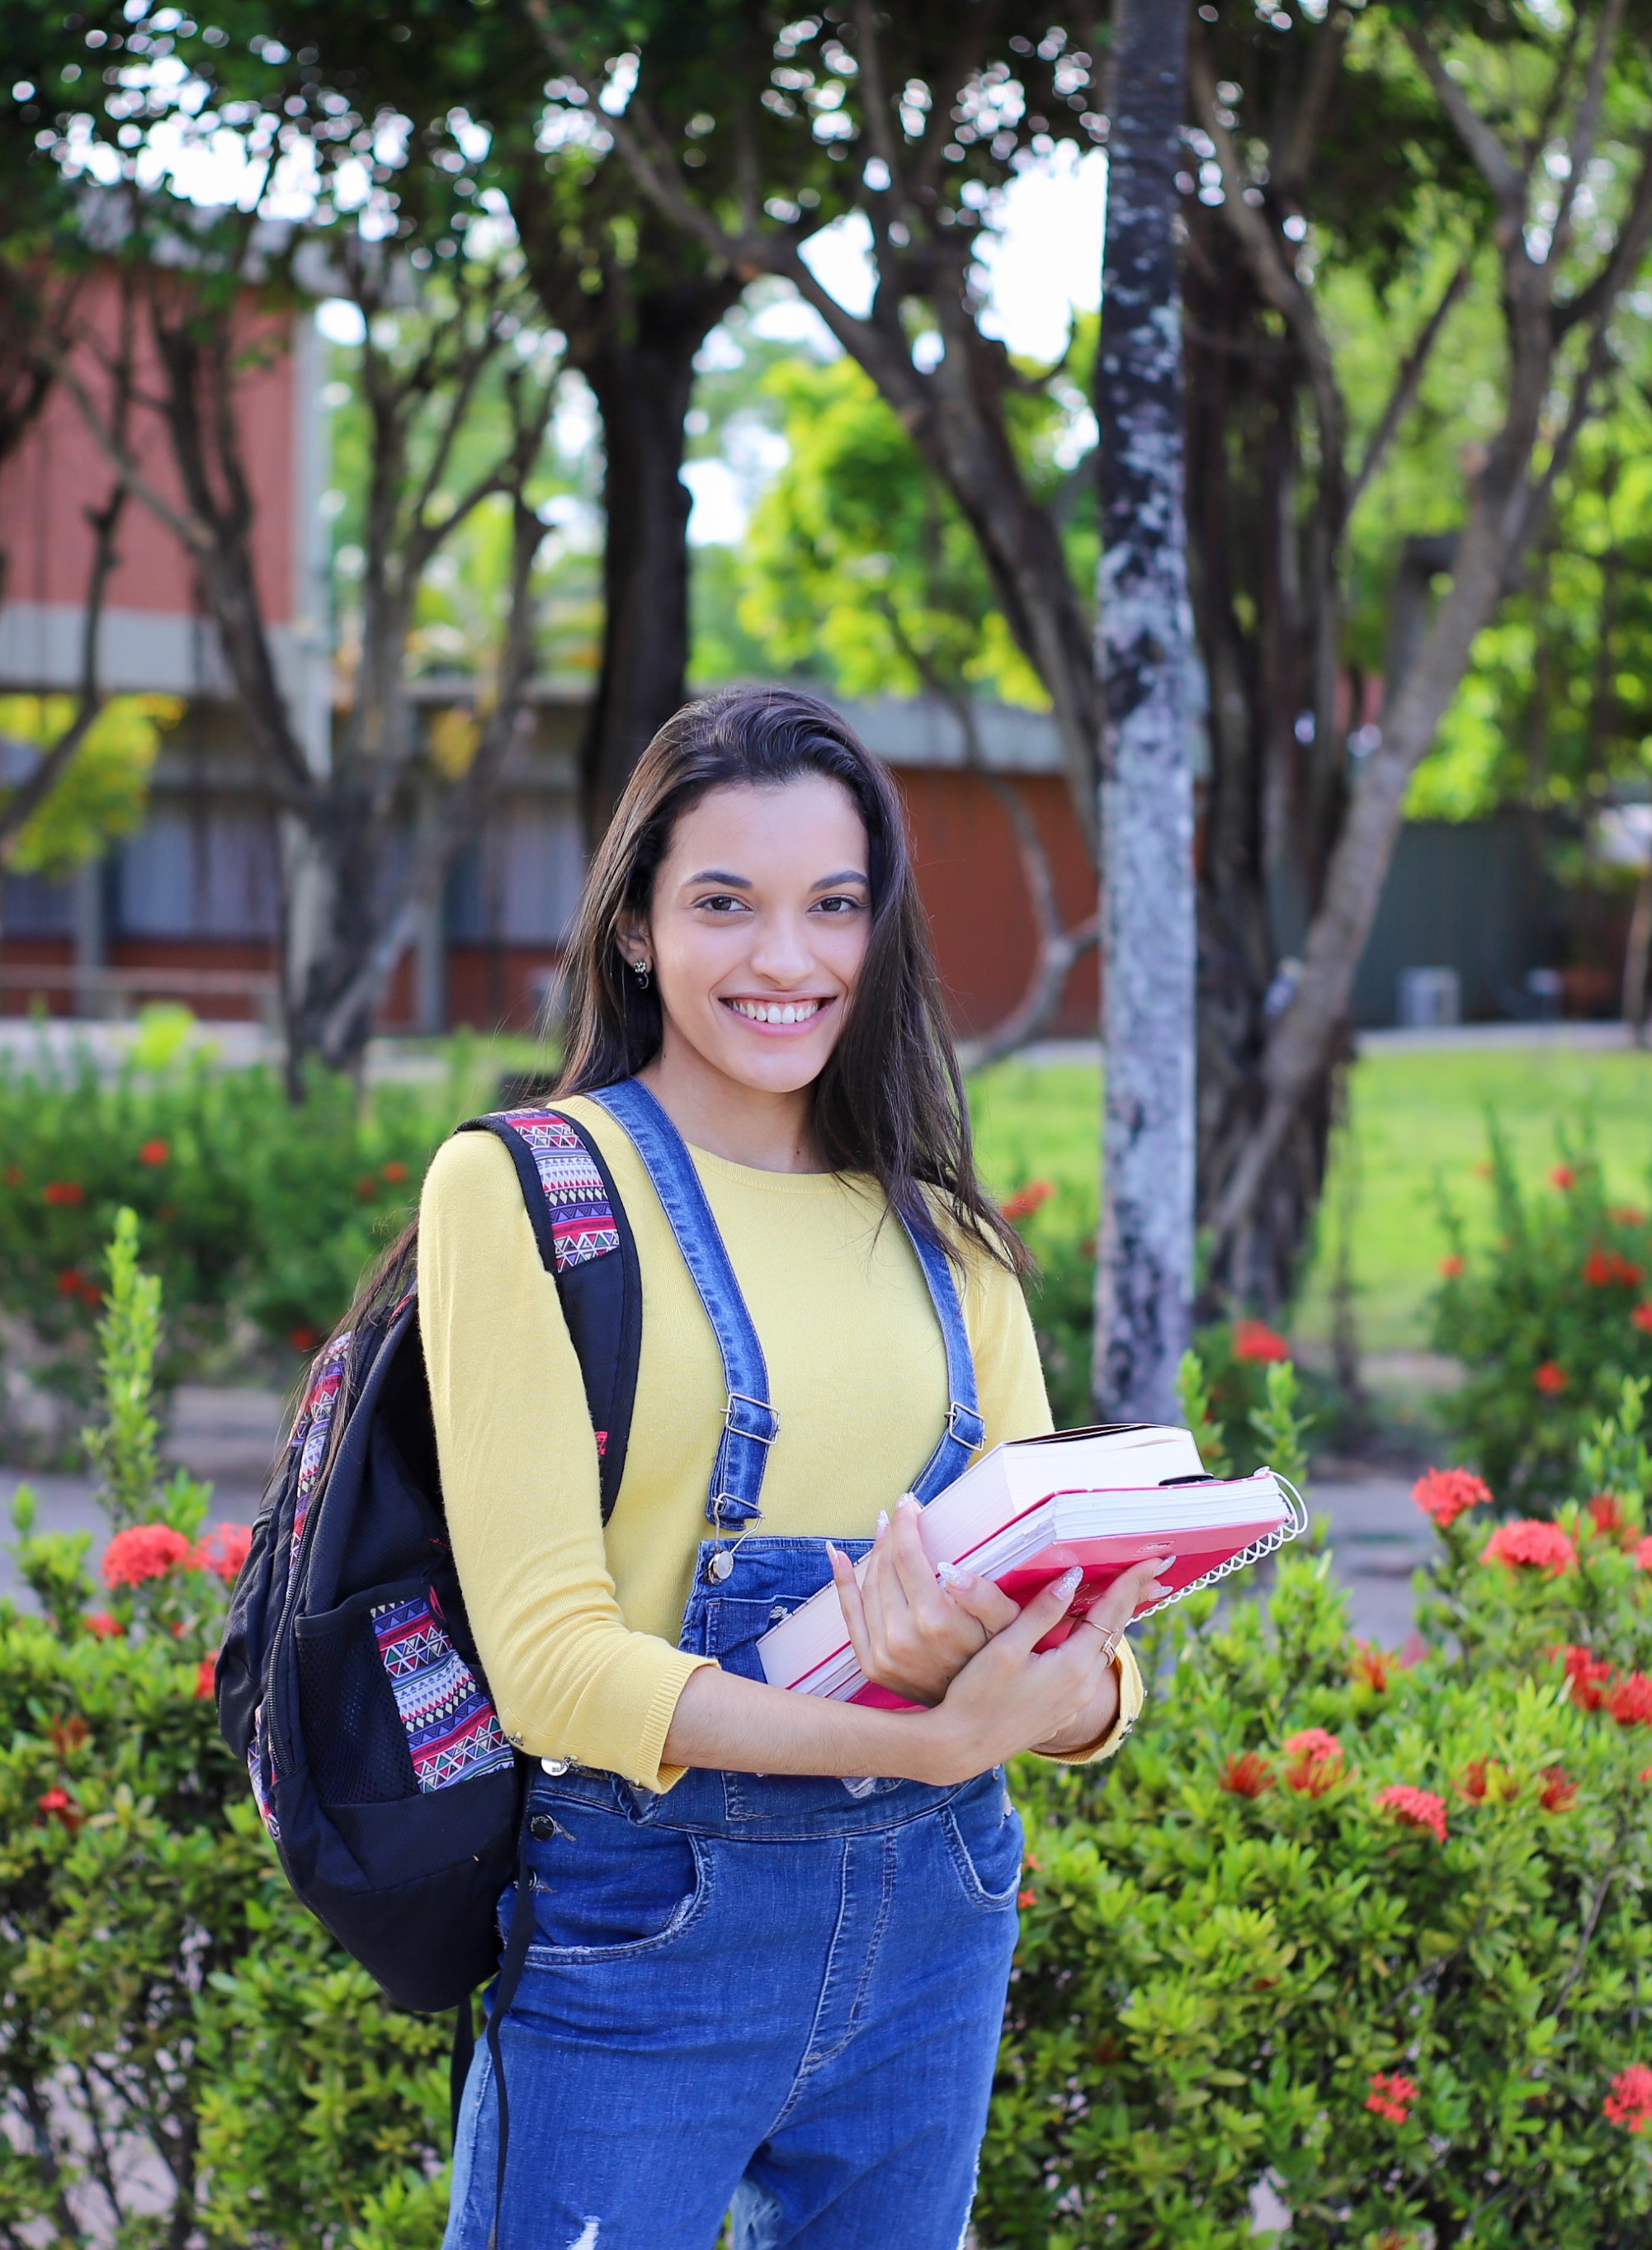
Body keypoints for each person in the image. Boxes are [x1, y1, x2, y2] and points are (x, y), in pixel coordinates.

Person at [422, 685, 1164, 2249]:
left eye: (834, 905)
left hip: (940, 1924)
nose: (788, 959)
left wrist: (1059, 1690)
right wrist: (924, 1735)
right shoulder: (531, 1192)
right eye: (723, 904)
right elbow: (553, 1667)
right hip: (652, 1921)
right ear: (634, 926)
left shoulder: (952, 1241)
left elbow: (1085, 1659)